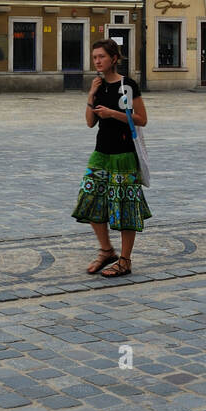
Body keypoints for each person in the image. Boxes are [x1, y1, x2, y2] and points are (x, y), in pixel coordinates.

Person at [72, 38, 151, 277]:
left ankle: (125, 260)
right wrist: (91, 94)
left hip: (124, 154)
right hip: (101, 153)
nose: (97, 61)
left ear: (114, 59)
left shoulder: (128, 86)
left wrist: (113, 114)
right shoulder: (98, 86)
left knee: (125, 208)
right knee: (90, 201)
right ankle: (107, 251)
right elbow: (89, 122)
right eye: (94, 57)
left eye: (101, 57)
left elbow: (141, 119)